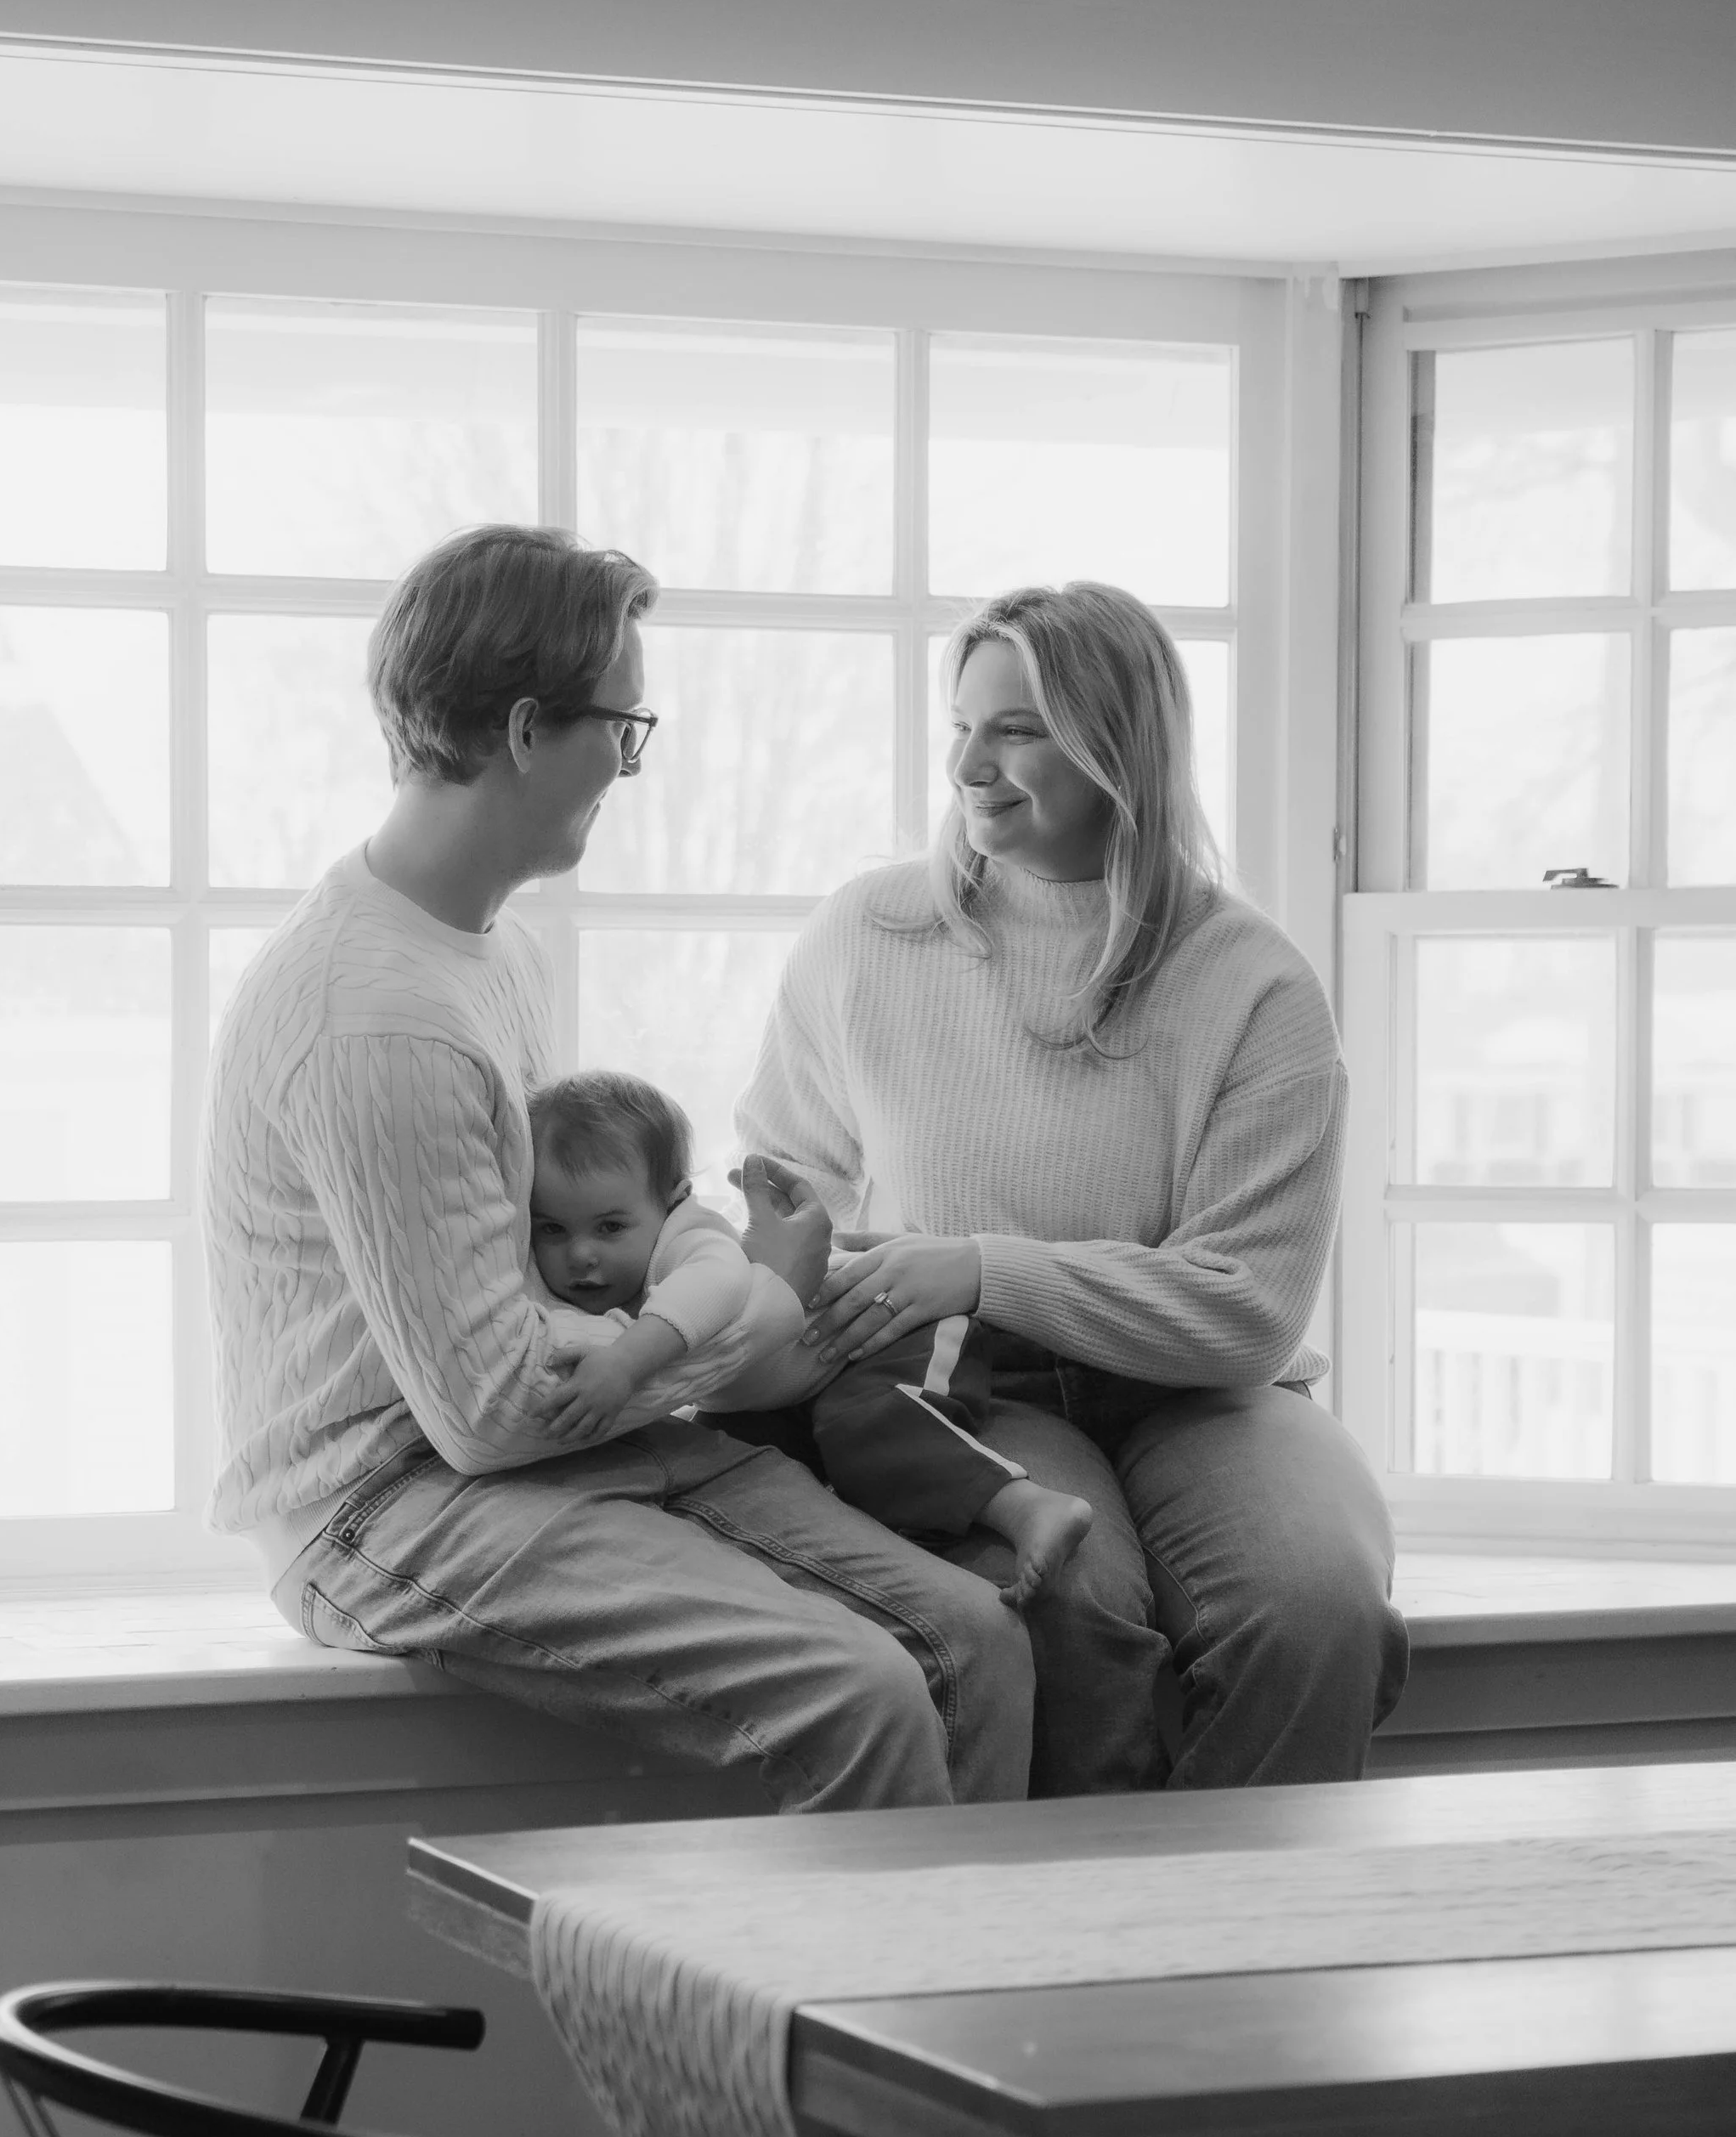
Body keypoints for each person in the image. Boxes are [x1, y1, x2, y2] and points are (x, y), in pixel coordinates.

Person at [201, 522, 1040, 1827]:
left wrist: (720, 1291)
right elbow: (487, 1411)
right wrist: (751, 1315)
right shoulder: (377, 1021)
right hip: (387, 1501)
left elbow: (555, 1285)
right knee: (865, 1691)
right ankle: (826, 2027)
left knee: (979, 1640)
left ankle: (966, 2024)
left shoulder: (488, 951)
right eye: (622, 728)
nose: (629, 764)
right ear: (529, 730)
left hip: (543, 1460)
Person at [738, 578, 1409, 1796]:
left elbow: (1249, 1311)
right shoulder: (868, 937)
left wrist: (982, 1264)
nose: (971, 767)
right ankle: (1091, 1957)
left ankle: (1249, 1959)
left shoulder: (1249, 982)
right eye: (961, 729)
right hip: (968, 1384)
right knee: (1066, 1603)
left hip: (1209, 1395)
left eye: (1018, 730)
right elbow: (792, 1196)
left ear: (1120, 746)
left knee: (1318, 1612)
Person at [527, 1066, 1092, 1606]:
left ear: (672, 1202)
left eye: (609, 1227)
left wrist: (624, 1364)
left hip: (888, 1327)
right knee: (721, 1467)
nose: (580, 1255)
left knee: (866, 1426)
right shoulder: (596, 1274)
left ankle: (1028, 1507)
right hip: (789, 1382)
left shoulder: (690, 1240)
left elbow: (711, 1292)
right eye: (551, 1229)